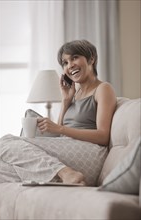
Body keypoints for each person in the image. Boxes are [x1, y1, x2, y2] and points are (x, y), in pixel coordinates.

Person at [36, 39, 117, 185]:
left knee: (6, 142)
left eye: (74, 58)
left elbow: (103, 136)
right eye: (65, 63)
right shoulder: (76, 93)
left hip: (89, 154)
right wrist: (66, 101)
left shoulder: (103, 89)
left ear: (91, 59)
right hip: (69, 151)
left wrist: (60, 128)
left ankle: (67, 174)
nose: (70, 65)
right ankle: (67, 176)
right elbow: (60, 134)